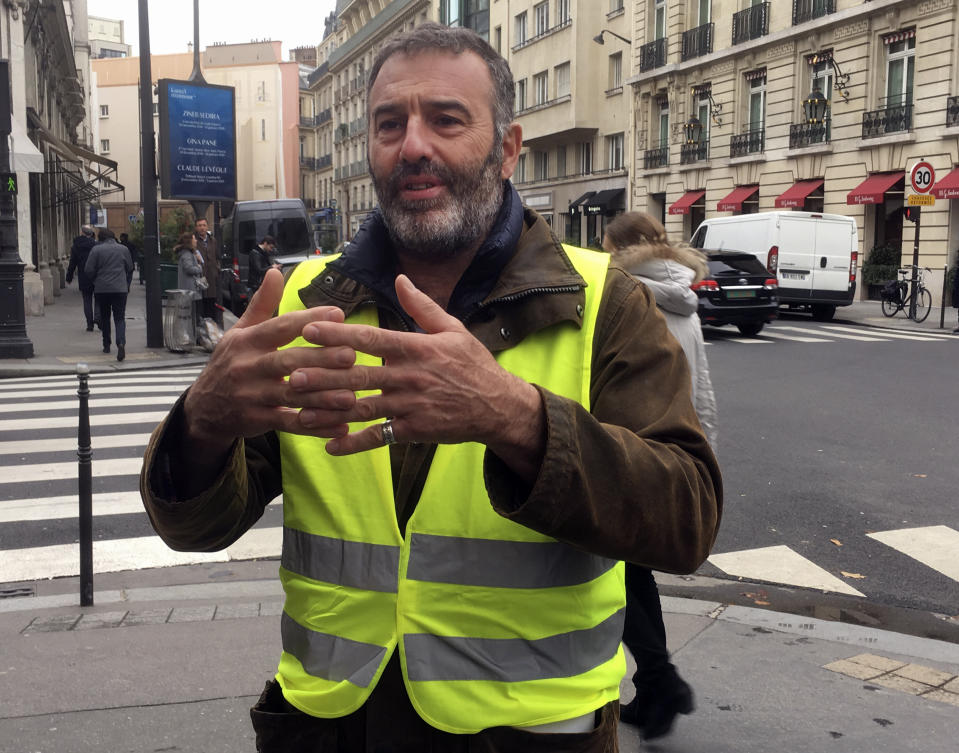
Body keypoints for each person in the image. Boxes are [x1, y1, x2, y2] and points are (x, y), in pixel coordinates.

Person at [140, 24, 722, 753]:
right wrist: (201, 422)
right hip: (329, 731)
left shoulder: (604, 300)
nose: (412, 144)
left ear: (507, 148)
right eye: (390, 123)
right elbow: (195, 529)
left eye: (445, 119)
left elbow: (686, 518)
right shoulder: (300, 302)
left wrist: (516, 417)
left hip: (529, 737)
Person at [602, 212, 718, 740]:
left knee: (620, 574)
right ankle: (656, 685)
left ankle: (659, 681)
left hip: (626, 451)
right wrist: (700, 458)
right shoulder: (685, 300)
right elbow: (701, 391)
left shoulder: (620, 296)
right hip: (670, 452)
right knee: (632, 573)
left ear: (619, 248)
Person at [84, 227, 133, 361]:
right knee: (119, 317)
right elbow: (130, 267)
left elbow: (88, 269)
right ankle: (121, 342)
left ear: (101, 238)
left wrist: (96, 280)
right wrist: (126, 283)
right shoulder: (123, 249)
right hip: (120, 289)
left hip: (102, 288)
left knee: (105, 316)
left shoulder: (96, 250)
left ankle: (106, 344)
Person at [65, 225, 99, 331]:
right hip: (96, 275)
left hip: (84, 275)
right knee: (98, 298)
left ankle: (89, 324)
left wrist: (69, 277)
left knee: (87, 299)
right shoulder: (96, 245)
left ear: (82, 233)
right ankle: (97, 317)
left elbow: (72, 263)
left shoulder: (76, 246)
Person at [175, 232, 206, 337]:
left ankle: (194, 335)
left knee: (193, 314)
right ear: (189, 242)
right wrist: (199, 267)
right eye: (194, 239)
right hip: (191, 290)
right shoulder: (187, 255)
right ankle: (194, 336)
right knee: (194, 315)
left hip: (189, 289)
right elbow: (189, 269)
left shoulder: (187, 254)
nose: (196, 240)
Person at [193, 216, 222, 327]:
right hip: (200, 278)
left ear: (207, 226)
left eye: (204, 225)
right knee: (201, 307)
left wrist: (217, 269)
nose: (202, 228)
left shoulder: (212, 240)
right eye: (199, 225)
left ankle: (212, 330)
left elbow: (218, 257)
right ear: (196, 228)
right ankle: (202, 330)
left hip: (212, 278)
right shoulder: (194, 241)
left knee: (211, 306)